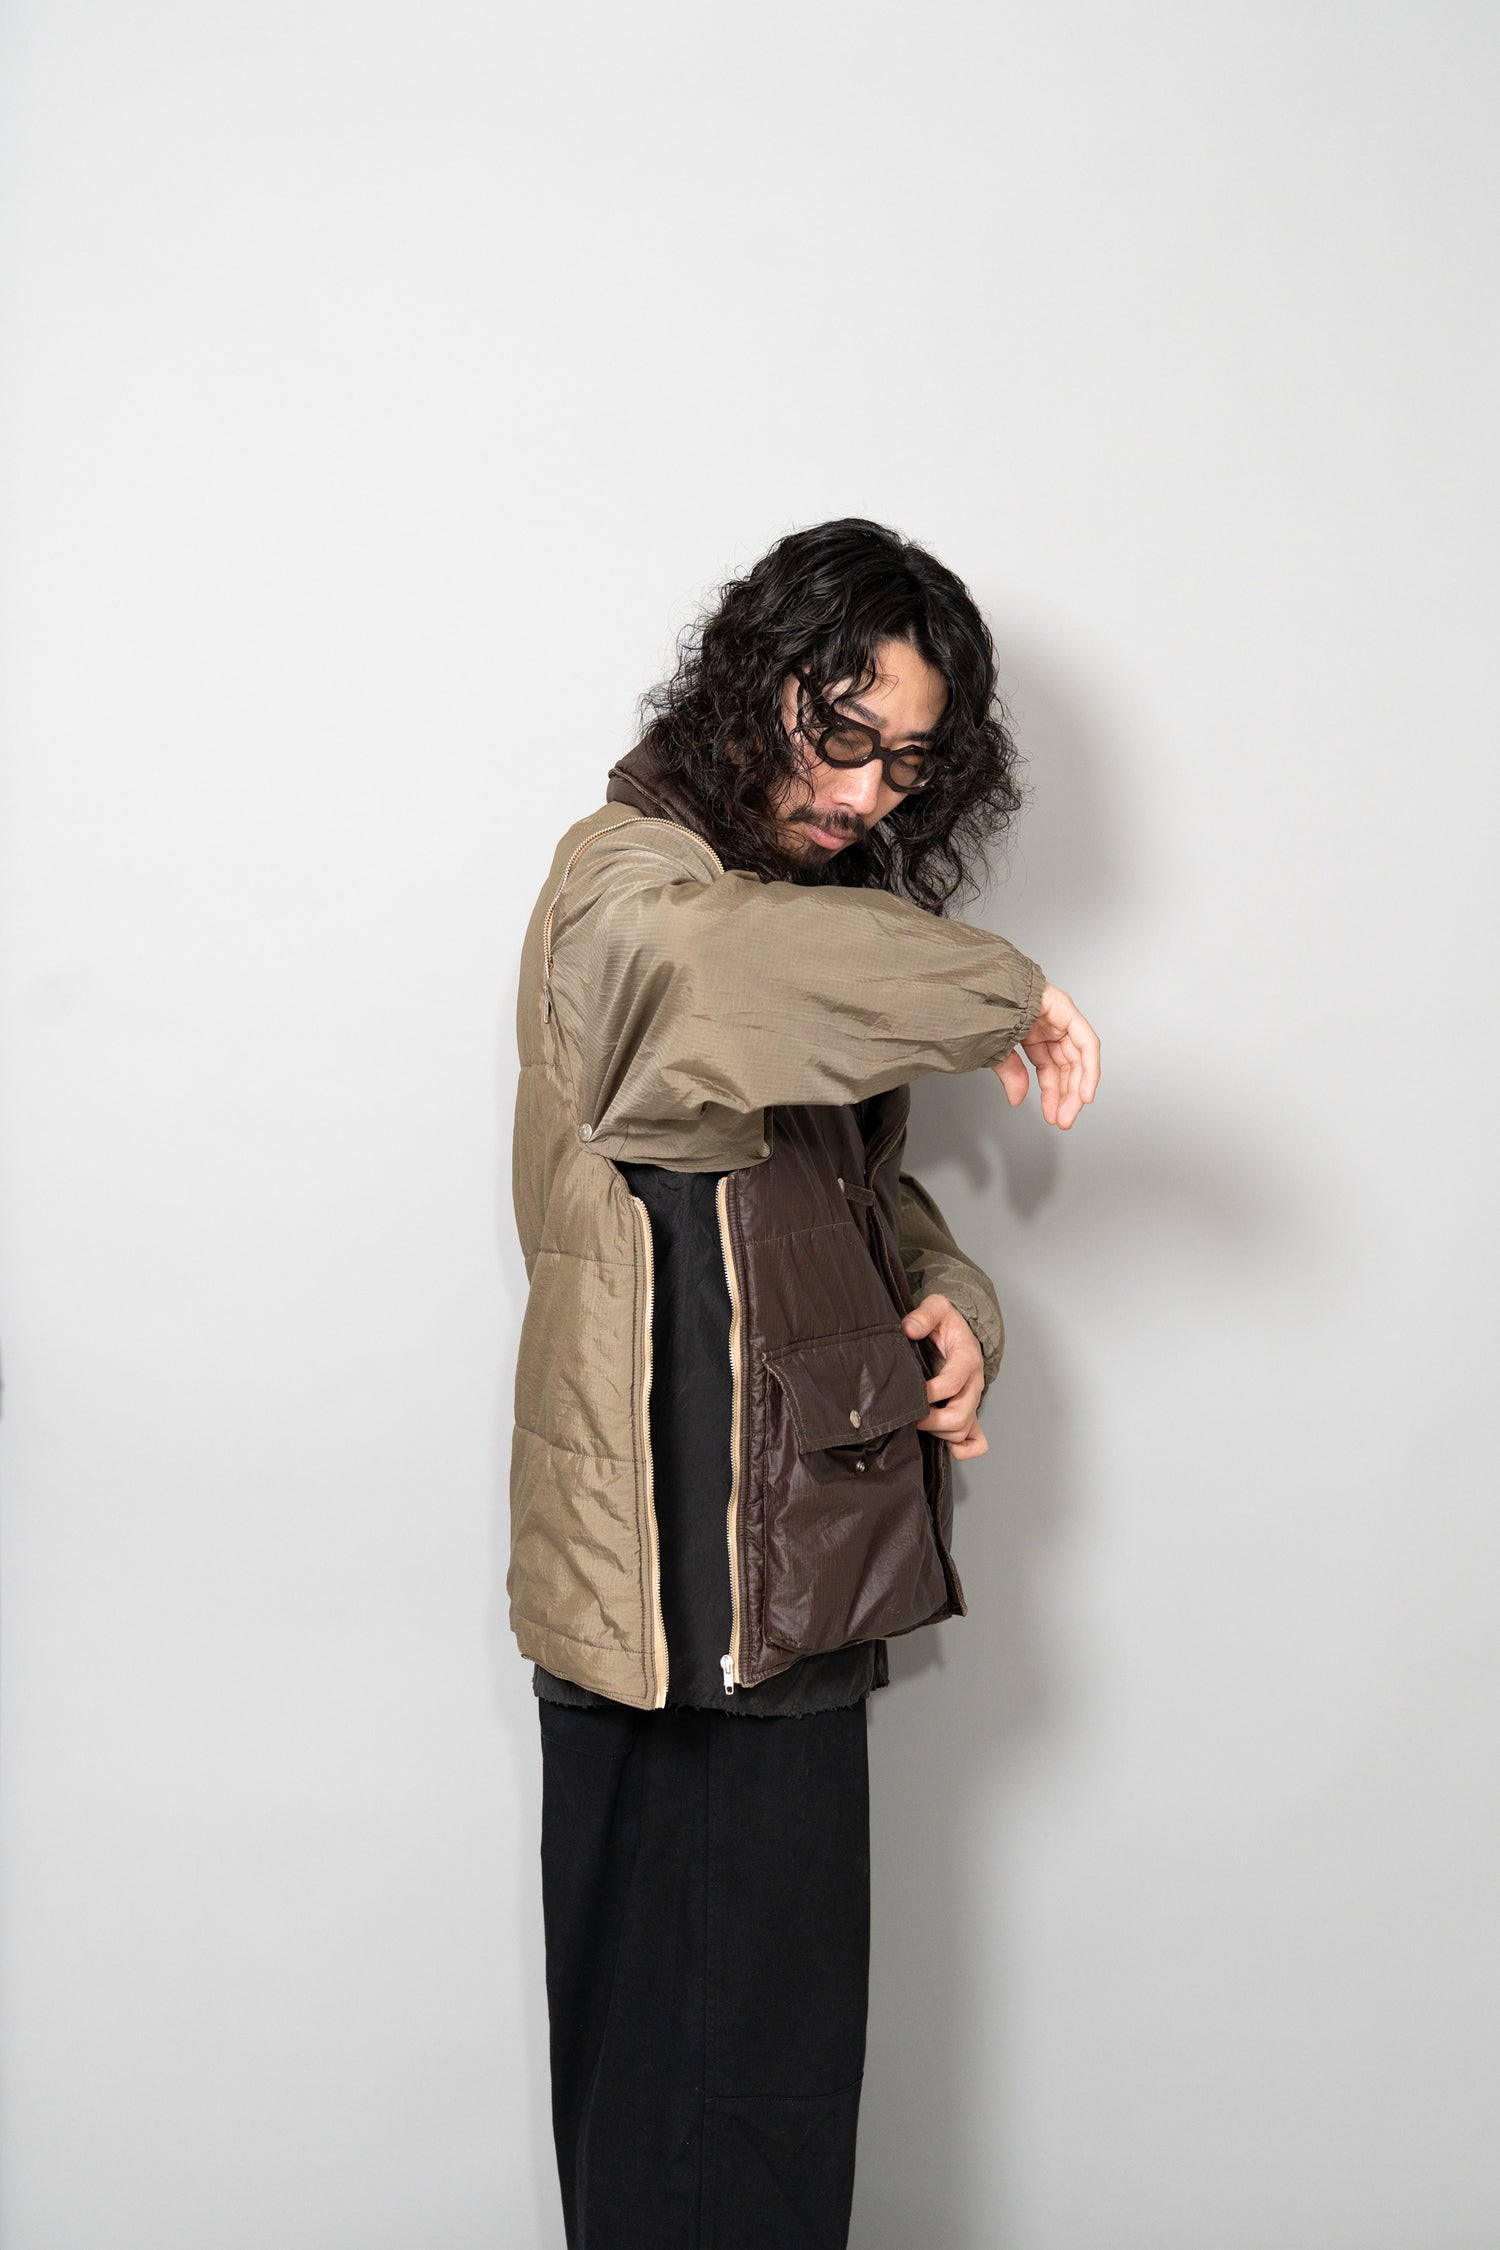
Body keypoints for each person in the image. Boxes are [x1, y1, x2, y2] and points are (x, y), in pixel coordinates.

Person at [506, 516, 1100, 2248]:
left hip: (794, 1583)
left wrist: (952, 1299)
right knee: (689, 2118)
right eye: (841, 734)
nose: (862, 793)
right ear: (752, 683)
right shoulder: (628, 882)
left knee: (766, 2107)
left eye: (906, 763)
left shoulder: (812, 913)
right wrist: (1006, 990)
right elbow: (705, 981)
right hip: (684, 1616)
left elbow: (845, 1191)